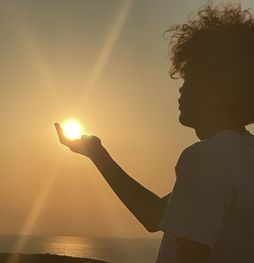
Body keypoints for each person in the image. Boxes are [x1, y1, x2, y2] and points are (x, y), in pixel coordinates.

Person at [55, 3, 254, 263]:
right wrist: (98, 155)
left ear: (218, 87)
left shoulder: (206, 159)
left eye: (190, 79)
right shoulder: (242, 157)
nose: (181, 91)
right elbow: (156, 216)